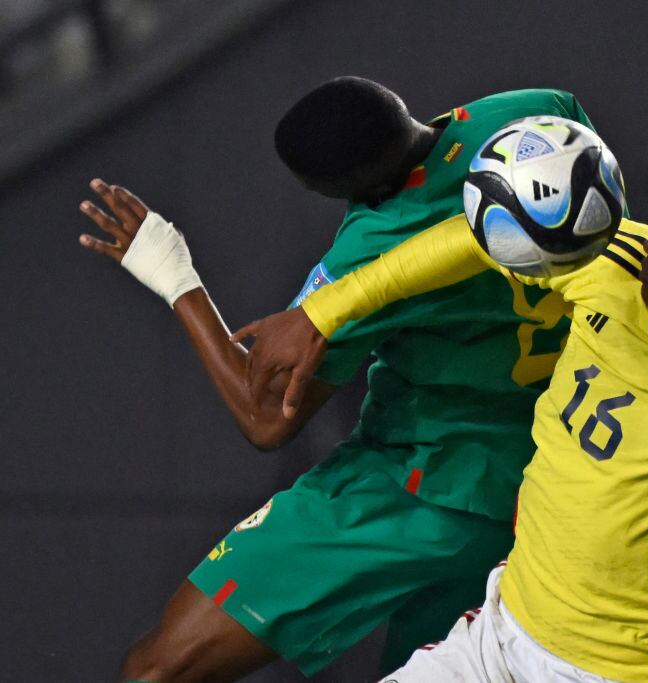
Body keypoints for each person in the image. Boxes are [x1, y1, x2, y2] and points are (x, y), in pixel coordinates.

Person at [236, 148, 648, 681]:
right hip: (502, 630)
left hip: (627, 671)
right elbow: (473, 238)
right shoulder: (613, 260)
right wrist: (323, 309)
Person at [77, 77, 606, 681]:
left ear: (352, 189)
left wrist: (176, 278)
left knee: (157, 669)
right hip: (530, 496)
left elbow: (267, 419)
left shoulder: (371, 245)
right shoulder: (537, 110)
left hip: (414, 485)